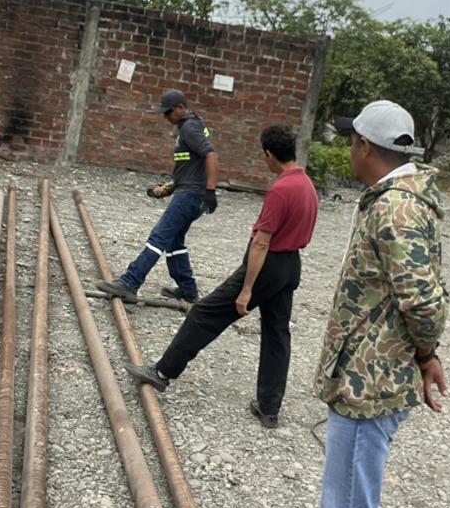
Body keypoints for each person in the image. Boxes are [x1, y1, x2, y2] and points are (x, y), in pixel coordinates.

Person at [269, 100, 450, 508]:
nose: (350, 150)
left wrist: (427, 353)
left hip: (371, 384)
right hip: (363, 372)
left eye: (352, 142)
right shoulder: (395, 199)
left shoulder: (396, 209)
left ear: (365, 146)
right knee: (340, 503)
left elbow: (423, 302)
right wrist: (425, 354)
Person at [125, 124, 319, 428]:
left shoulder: (280, 190)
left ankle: (162, 372)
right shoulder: (307, 185)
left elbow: (262, 242)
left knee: (204, 314)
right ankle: (269, 408)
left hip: (266, 265)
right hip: (291, 265)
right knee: (277, 334)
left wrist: (247, 288)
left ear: (269, 154)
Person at [97, 88, 218, 304]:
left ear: (181, 107)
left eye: (169, 112)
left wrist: (210, 190)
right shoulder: (191, 125)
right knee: (174, 242)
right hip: (190, 193)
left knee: (159, 237)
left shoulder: (189, 127)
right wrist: (169, 188)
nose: (166, 117)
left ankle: (130, 282)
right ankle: (188, 290)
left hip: (190, 196)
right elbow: (192, 166)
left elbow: (210, 154)